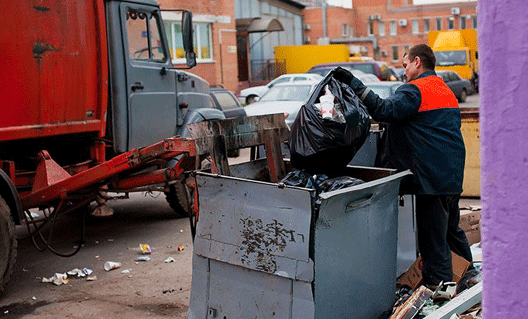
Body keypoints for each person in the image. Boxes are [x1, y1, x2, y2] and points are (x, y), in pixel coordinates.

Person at [333, 44, 473, 288]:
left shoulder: (414, 90)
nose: (404, 71)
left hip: (431, 180)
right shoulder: (443, 89)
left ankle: (437, 293)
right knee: (451, 231)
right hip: (450, 175)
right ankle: (470, 277)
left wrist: (354, 84)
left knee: (433, 243)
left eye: (405, 64)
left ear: (417, 62)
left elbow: (384, 110)